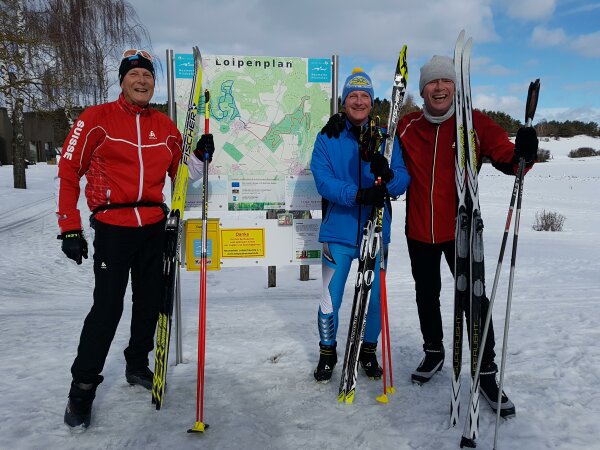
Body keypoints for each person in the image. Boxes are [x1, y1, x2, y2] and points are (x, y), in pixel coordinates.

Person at [56, 49, 214, 430]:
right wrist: (69, 226)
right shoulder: (96, 119)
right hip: (112, 226)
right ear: (123, 80)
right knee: (107, 308)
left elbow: (182, 173)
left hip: (154, 225)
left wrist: (201, 156)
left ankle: (137, 363)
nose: (142, 81)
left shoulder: (164, 125)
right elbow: (68, 170)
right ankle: (81, 391)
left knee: (149, 302)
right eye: (135, 75)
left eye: (147, 75)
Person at [397, 55, 538, 416]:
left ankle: (486, 371)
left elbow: (509, 159)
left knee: (474, 300)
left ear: (456, 87)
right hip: (418, 230)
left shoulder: (474, 123)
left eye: (446, 81)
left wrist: (524, 151)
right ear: (423, 90)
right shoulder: (408, 126)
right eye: (432, 82)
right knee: (425, 294)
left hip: (462, 231)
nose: (439, 87)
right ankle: (434, 351)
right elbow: (379, 155)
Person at [310, 68, 410, 383]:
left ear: (371, 100)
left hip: (376, 232)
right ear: (344, 101)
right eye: (352, 95)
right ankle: (328, 352)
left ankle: (368, 350)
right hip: (337, 232)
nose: (358, 101)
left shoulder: (385, 138)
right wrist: (356, 194)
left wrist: (388, 180)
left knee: (375, 298)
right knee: (330, 296)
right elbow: (322, 180)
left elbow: (403, 177)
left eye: (364, 95)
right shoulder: (328, 135)